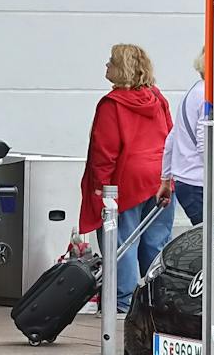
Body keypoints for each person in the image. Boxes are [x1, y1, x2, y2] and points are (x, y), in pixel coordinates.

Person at [78, 43, 175, 314]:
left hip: (127, 181)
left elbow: (104, 152)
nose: (106, 65)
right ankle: (158, 303)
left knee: (122, 243)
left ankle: (123, 304)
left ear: (122, 69)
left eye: (110, 61)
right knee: (156, 243)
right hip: (159, 177)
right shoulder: (157, 98)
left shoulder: (112, 104)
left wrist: (101, 191)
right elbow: (170, 137)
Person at [163, 48, 207, 227]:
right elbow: (204, 143)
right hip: (200, 183)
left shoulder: (193, 92)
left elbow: (172, 138)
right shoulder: (208, 95)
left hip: (185, 182)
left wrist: (165, 178)